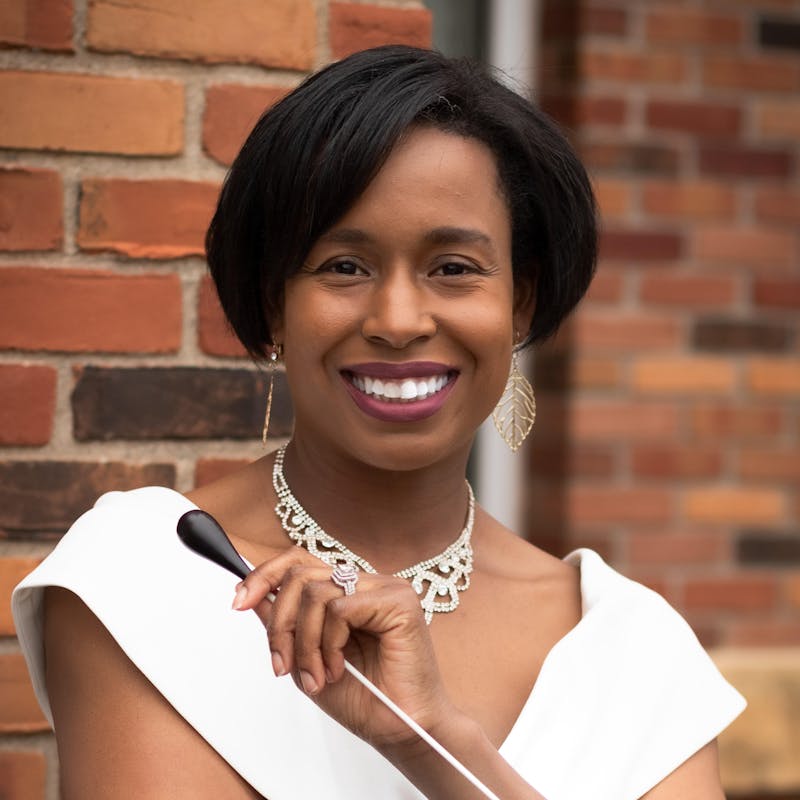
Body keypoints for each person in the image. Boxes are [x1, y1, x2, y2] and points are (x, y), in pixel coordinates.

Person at [13, 46, 744, 799]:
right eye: (345, 266)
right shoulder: (150, 577)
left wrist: (432, 742)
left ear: (519, 304)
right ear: (274, 305)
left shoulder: (634, 650)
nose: (398, 321)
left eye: (453, 268)